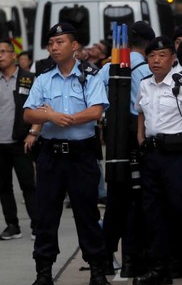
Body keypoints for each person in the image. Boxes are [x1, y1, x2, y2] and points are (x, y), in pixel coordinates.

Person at [23, 22, 111, 285]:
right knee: (46, 215)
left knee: (87, 214)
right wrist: (48, 116)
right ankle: (44, 271)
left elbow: (96, 111)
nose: (54, 47)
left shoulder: (90, 76)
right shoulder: (43, 78)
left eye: (60, 42)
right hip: (50, 155)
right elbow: (28, 113)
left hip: (81, 156)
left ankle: (97, 269)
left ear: (74, 46)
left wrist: (63, 117)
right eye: (51, 43)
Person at [133, 36, 182, 284]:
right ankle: (160, 268)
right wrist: (140, 137)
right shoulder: (145, 84)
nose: (156, 60)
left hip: (178, 156)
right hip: (152, 155)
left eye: (161, 55)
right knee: (154, 212)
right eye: (151, 56)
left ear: (173, 58)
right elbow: (140, 112)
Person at [99, 20, 154, 278]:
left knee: (114, 203)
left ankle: (105, 259)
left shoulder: (109, 66)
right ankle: (132, 261)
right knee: (137, 202)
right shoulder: (149, 70)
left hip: (114, 141)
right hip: (138, 140)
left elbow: (97, 97)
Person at [0, 40, 39, 241]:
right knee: (4, 187)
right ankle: (12, 225)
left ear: (13, 55)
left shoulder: (28, 79)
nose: (0, 55)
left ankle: (37, 225)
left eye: (3, 51)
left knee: (28, 185)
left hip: (20, 141)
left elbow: (40, 107)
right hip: (0, 143)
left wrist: (33, 132)